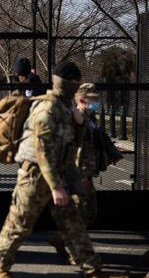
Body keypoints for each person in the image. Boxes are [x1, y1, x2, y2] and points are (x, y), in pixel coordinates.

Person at [0, 61, 115, 278]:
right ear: (67, 83)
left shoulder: (67, 107)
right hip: (35, 175)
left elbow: (70, 145)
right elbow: (42, 151)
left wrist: (79, 124)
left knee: (73, 223)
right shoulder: (48, 108)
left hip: (58, 172)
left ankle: (93, 268)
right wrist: (56, 186)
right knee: (19, 224)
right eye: (76, 81)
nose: (78, 86)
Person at [48, 83, 105, 264]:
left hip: (86, 173)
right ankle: (74, 252)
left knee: (90, 212)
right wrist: (81, 175)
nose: (97, 102)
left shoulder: (89, 118)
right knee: (79, 215)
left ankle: (59, 238)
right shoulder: (75, 119)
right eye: (94, 99)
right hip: (78, 175)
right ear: (81, 100)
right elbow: (75, 149)